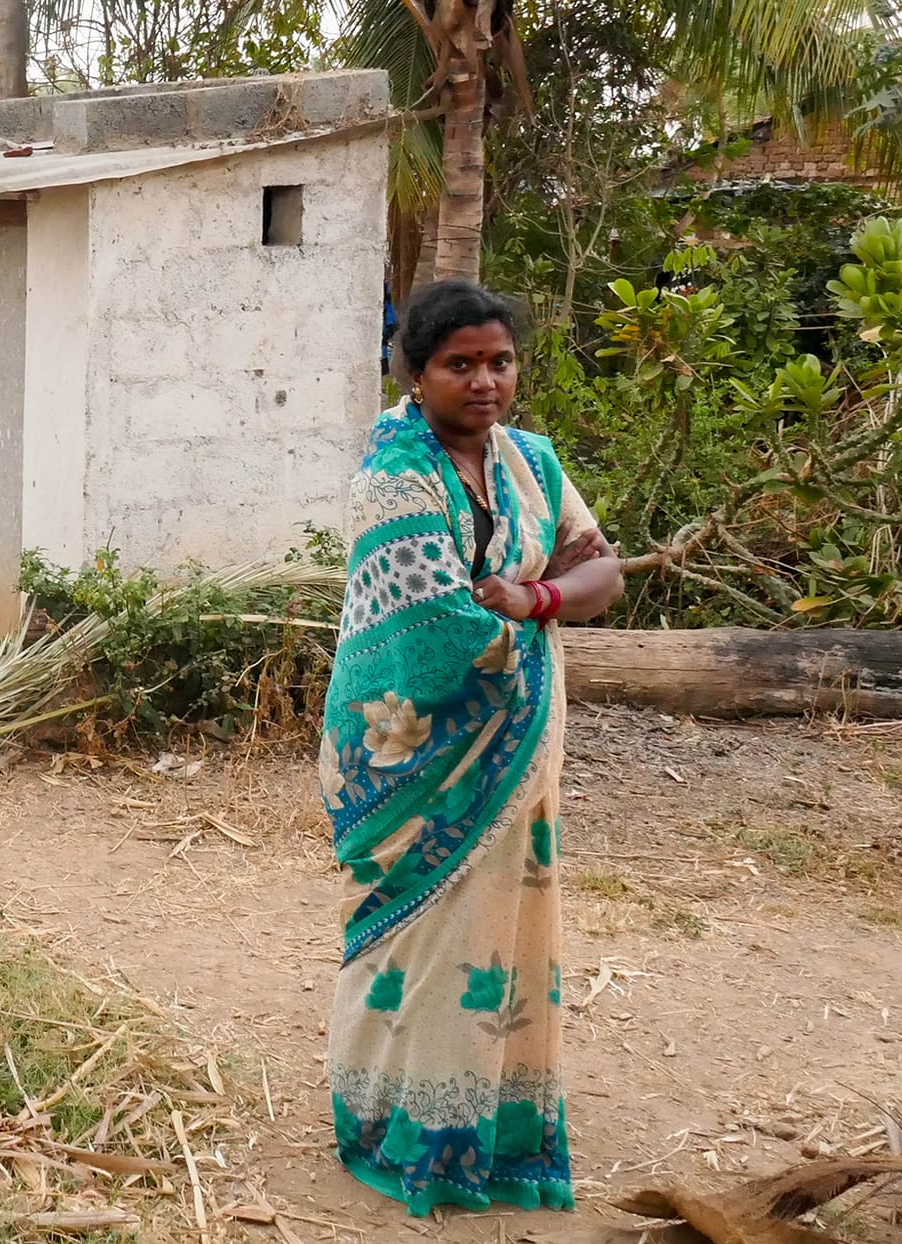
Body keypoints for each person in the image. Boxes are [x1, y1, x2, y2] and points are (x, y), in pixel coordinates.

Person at [319, 279, 624, 1217]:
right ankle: (396, 1126)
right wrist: (534, 601)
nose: (484, 380)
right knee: (420, 936)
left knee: (502, 937)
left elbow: (600, 569)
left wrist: (534, 600)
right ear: (415, 373)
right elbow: (439, 631)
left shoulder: (531, 461)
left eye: (499, 361)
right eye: (460, 364)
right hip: (410, 755)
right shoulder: (393, 473)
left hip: (520, 748)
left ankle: (490, 1131)